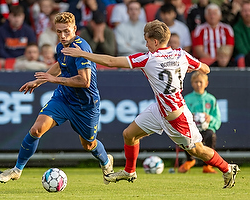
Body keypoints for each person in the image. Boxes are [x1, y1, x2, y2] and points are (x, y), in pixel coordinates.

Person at [62, 19, 240, 189]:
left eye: (147, 41)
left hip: (177, 116)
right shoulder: (182, 55)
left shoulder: (149, 58)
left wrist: (83, 54)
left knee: (197, 150)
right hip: (159, 109)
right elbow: (206, 69)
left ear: (155, 41)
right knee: (129, 135)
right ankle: (130, 171)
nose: (146, 44)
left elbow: (111, 61)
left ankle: (227, 168)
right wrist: (189, 67)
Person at [0, 12, 114, 185]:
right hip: (63, 98)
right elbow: (60, 65)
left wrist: (54, 80)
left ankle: (106, 161)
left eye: (66, 31)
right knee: (36, 130)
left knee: (88, 144)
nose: (63, 36)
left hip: (85, 105)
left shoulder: (81, 49)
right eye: (59, 32)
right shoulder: (61, 46)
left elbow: (85, 81)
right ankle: (17, 169)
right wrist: (39, 81)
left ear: (74, 29)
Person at [178, 71, 221, 174]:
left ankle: (208, 165)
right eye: (196, 82)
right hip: (192, 128)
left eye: (201, 82)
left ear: (206, 83)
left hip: (207, 128)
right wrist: (189, 117)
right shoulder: (187, 99)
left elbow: (217, 118)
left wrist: (210, 118)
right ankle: (190, 160)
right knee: (185, 137)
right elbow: (181, 115)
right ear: (192, 83)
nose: (198, 84)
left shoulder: (211, 99)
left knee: (211, 136)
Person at [233, 0, 250, 66]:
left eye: (249, 10)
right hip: (243, 55)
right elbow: (240, 47)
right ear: (241, 13)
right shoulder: (237, 27)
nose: (247, 13)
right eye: (245, 11)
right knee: (241, 58)